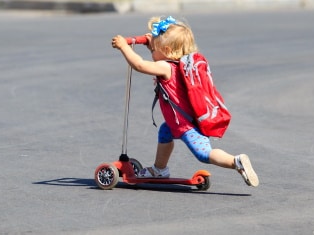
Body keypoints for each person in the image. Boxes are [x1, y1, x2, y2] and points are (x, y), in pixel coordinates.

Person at [111, 16, 259, 187]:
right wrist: (152, 46)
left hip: (185, 126)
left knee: (204, 154)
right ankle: (159, 169)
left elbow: (140, 65)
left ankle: (236, 162)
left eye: (154, 49)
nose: (152, 52)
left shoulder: (165, 67)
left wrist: (124, 46)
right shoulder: (177, 65)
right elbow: (157, 60)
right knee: (165, 131)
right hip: (180, 122)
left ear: (165, 49)